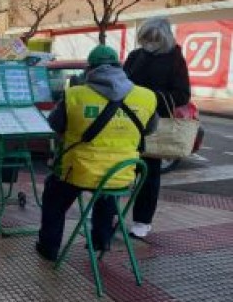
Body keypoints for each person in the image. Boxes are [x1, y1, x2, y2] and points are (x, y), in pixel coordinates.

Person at [36, 45, 158, 261]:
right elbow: (149, 129)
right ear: (119, 67)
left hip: (79, 171)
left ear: (89, 69)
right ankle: (101, 240)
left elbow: (55, 124)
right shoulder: (146, 97)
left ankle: (49, 247)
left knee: (54, 196)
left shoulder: (75, 95)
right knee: (106, 190)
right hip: (123, 173)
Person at [123, 17, 191, 238]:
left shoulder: (175, 60)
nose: (149, 43)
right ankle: (110, 215)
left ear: (164, 38)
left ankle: (142, 221)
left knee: (149, 174)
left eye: (154, 39)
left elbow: (182, 94)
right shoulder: (135, 56)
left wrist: (150, 97)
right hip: (126, 122)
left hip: (155, 124)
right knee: (118, 169)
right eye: (145, 38)